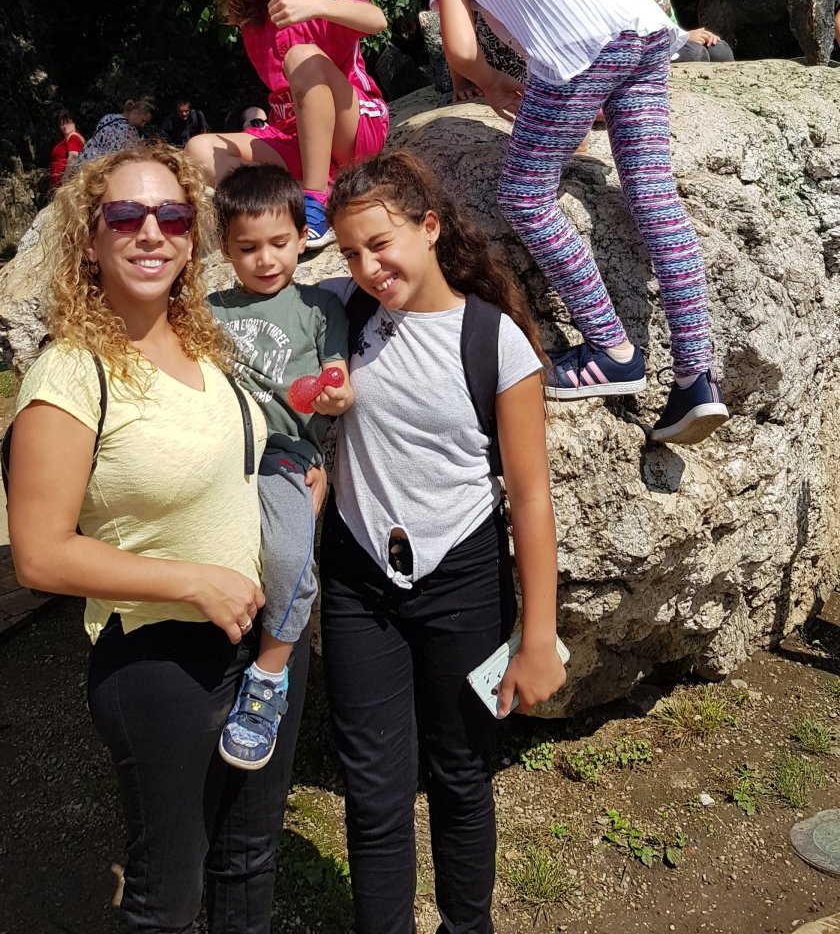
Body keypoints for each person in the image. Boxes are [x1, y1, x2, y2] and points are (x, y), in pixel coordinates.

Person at [7, 142, 310, 934]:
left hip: (260, 643)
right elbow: (39, 553)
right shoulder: (71, 375)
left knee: (250, 857)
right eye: (125, 215)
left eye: (173, 216)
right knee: (167, 895)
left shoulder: (202, 344)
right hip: (161, 657)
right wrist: (193, 579)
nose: (152, 232)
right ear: (90, 240)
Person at [318, 149, 565, 934]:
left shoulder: (495, 341)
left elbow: (530, 495)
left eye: (380, 243)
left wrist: (539, 637)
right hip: (359, 581)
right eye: (350, 253)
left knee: (461, 775)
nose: (368, 267)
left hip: (464, 579)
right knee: (373, 790)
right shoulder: (343, 313)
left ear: (429, 228)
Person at [426, 0, 729, 447]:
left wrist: (489, 81)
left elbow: (461, 50)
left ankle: (611, 348)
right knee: (653, 197)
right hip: (644, 34)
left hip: (580, 50)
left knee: (524, 196)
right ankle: (697, 376)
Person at [208, 163, 351, 770]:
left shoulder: (319, 307)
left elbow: (337, 373)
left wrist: (335, 392)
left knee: (291, 559)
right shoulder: (209, 310)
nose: (265, 259)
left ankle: (269, 676)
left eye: (279, 242)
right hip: (216, 453)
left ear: (302, 236)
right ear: (225, 248)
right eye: (248, 248)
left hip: (283, 458)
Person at [185, 0, 390, 250]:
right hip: (294, 138)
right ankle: (294, 198)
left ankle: (315, 200)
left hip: (354, 130)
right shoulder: (254, 23)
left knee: (301, 56)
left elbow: (377, 20)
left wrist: (315, 6)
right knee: (199, 150)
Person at [68, 97, 153, 172]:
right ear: (135, 112)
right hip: (97, 169)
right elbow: (127, 159)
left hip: (84, 160)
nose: (143, 125)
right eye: (143, 120)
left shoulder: (109, 117)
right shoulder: (130, 131)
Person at [49, 110, 85, 188]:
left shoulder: (74, 137)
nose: (65, 126)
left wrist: (65, 179)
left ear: (74, 123)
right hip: (60, 184)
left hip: (66, 184)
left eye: (68, 122)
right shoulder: (69, 138)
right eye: (62, 124)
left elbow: (73, 156)